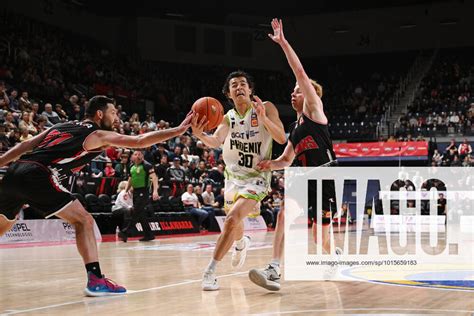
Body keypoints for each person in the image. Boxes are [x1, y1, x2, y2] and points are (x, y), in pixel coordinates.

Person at [0, 95, 193, 297]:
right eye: (113, 113)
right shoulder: (97, 134)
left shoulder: (59, 126)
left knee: (5, 223)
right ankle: (96, 281)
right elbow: (139, 141)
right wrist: (178, 130)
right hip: (39, 174)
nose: (117, 117)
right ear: (99, 114)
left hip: (14, 172)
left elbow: (24, 146)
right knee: (84, 221)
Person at [248, 19, 339, 291]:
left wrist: (283, 43)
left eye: (298, 90)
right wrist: (267, 164)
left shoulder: (315, 111)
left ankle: (333, 256)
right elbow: (285, 160)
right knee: (284, 214)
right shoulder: (295, 127)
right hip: (301, 177)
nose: (293, 92)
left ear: (311, 95)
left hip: (324, 174)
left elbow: (299, 71)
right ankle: (274, 268)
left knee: (318, 235)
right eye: (294, 91)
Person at [191, 70, 286, 291]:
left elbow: (281, 137)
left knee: (232, 218)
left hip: (257, 178)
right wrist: (198, 134)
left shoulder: (265, 107)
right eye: (234, 85)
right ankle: (241, 243)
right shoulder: (228, 117)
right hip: (232, 178)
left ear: (250, 90)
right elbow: (215, 141)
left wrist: (264, 120)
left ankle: (210, 272)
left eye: (243, 84)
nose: (239, 87)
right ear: (228, 93)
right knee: (234, 224)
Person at [118, 150, 159, 242]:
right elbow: (130, 179)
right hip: (135, 192)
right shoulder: (131, 166)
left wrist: (155, 191)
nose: (138, 156)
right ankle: (149, 235)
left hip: (143, 192)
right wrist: (126, 190)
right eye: (135, 154)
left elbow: (154, 178)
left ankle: (125, 232)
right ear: (132, 156)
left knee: (136, 212)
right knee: (141, 214)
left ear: (142, 156)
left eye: (139, 154)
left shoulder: (147, 165)